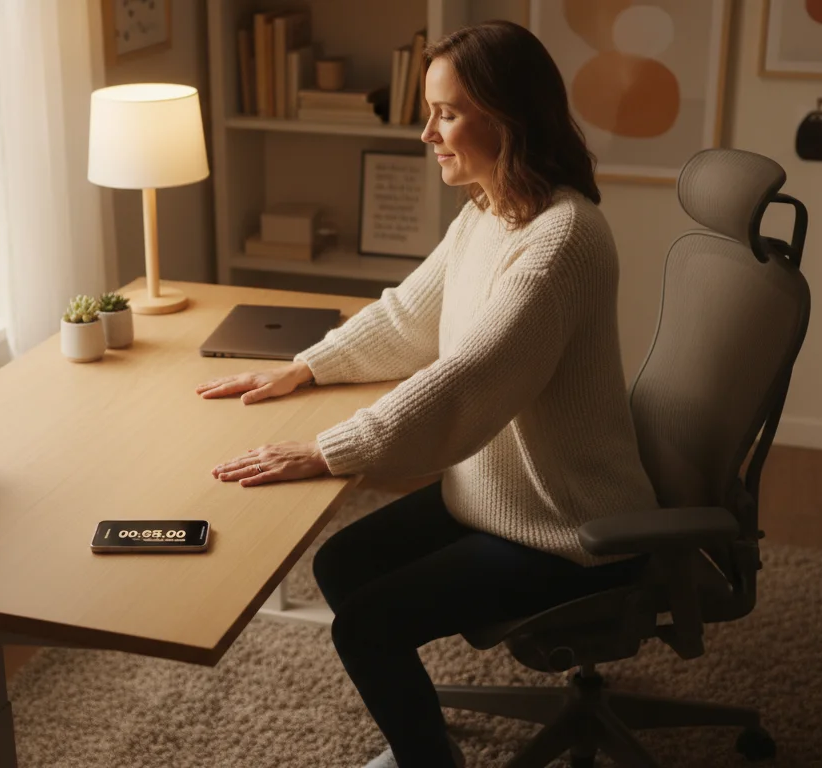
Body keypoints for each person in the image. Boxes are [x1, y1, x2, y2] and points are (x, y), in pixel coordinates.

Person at [194, 19, 659, 768]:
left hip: (567, 526)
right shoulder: (490, 210)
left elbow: (469, 377)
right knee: (341, 566)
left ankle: (427, 761)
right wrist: (303, 368)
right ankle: (420, 731)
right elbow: (410, 316)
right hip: (491, 495)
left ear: (507, 116)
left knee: (364, 626)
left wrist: (327, 449)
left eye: (445, 113)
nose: (426, 134)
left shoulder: (562, 240)